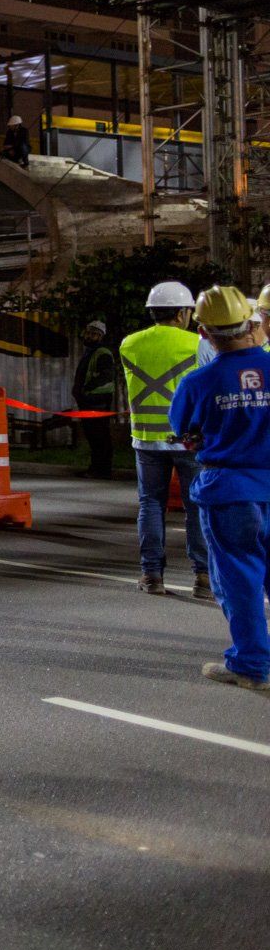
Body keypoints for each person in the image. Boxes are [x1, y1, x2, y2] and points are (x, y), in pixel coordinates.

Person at [168, 285, 270, 689]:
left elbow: (183, 430)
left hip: (230, 492)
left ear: (204, 333)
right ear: (251, 323)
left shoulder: (198, 382)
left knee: (239, 581)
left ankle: (251, 666)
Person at [120, 281, 211, 597]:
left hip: (146, 439)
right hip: (188, 440)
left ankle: (152, 575)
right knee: (196, 506)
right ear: (183, 312)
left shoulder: (129, 344)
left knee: (150, 504)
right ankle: (203, 577)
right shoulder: (198, 344)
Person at [72, 319, 118, 478]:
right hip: (89, 400)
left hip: (97, 401)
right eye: (88, 333)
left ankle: (102, 470)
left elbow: (106, 375)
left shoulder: (102, 353)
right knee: (93, 436)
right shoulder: (91, 352)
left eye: (93, 334)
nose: (89, 336)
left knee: (99, 436)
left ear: (100, 336)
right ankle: (96, 468)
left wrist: (86, 388)